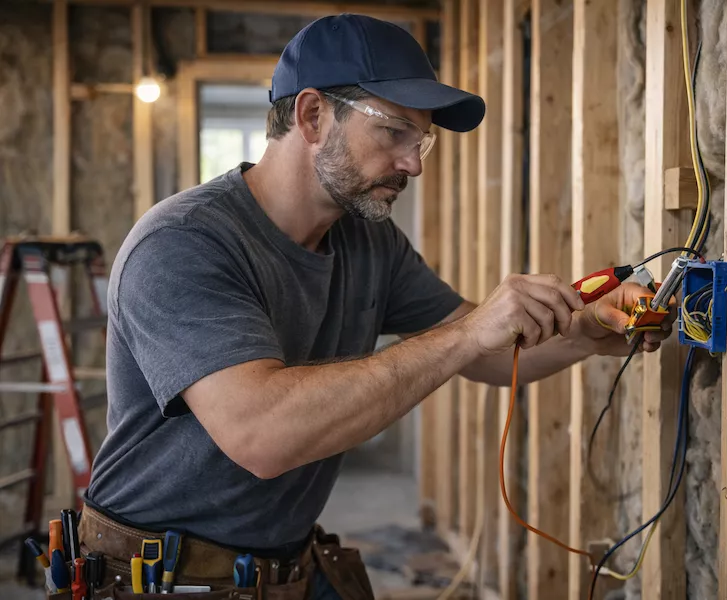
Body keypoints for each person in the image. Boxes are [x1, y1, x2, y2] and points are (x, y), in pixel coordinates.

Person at [78, 13, 672, 600]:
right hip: (156, 574)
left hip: (287, 563)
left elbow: (491, 353)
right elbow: (262, 435)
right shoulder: (184, 243)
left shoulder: (367, 240)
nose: (414, 162)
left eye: (424, 140)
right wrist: (467, 335)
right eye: (395, 131)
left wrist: (590, 330)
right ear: (313, 116)